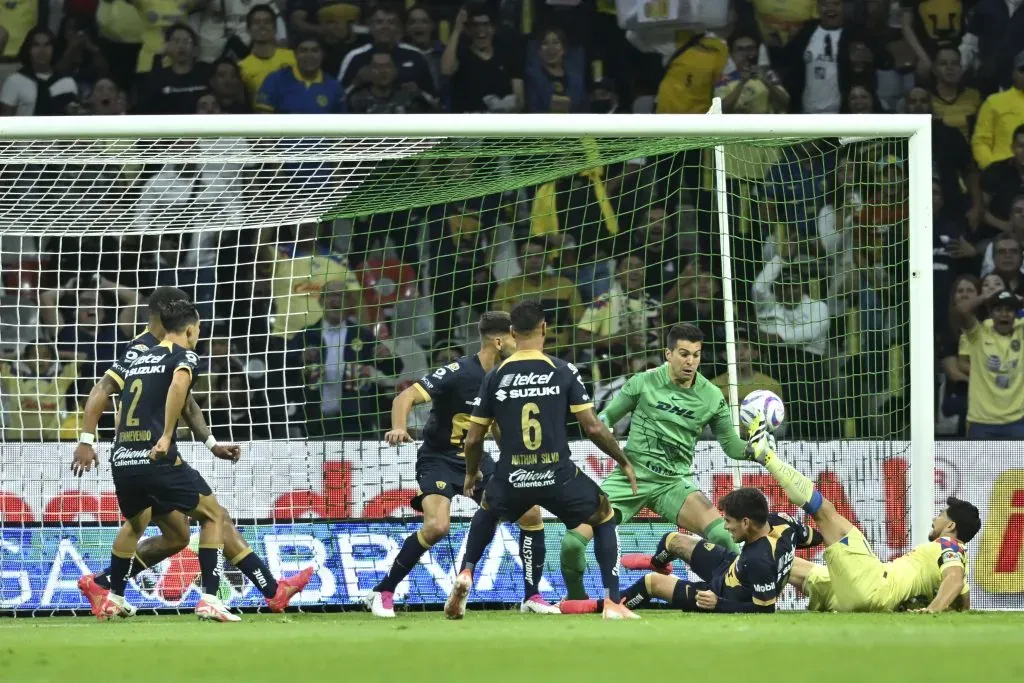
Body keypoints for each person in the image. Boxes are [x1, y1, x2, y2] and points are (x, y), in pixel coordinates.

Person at [73, 288, 312, 617]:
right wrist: (88, 438)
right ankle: (263, 590)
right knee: (212, 515)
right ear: (177, 318)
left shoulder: (152, 353)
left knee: (177, 535)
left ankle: (106, 586)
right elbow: (106, 391)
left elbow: (184, 402)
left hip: (129, 455)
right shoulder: (143, 348)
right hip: (151, 452)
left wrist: (210, 443)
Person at [445, 301, 641, 620]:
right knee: (603, 514)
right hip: (557, 474)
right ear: (545, 329)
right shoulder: (561, 370)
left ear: (512, 332)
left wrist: (471, 474)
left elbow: (474, 438)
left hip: (512, 476)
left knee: (487, 511)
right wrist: (622, 459)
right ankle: (612, 602)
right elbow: (592, 426)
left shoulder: (495, 376)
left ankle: (466, 572)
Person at [364, 312, 555, 618]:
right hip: (438, 459)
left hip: (477, 459)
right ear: (498, 341)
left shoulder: (507, 377)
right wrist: (399, 427)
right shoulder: (458, 372)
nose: (519, 345)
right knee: (438, 526)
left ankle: (532, 596)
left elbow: (493, 425)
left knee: (530, 512)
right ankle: (383, 591)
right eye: (513, 339)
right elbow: (405, 396)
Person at [558, 323, 752, 601]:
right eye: (684, 354)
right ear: (668, 354)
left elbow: (732, 446)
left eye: (696, 355)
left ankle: (739, 597)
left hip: (672, 483)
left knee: (724, 536)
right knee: (572, 543)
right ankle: (576, 599)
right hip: (630, 479)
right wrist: (618, 455)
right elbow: (604, 422)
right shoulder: (642, 382)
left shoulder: (711, 396)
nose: (690, 361)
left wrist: (756, 450)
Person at [88, 299, 235, 620]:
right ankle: (211, 598)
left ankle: (113, 596)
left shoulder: (137, 358)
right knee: (212, 516)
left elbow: (116, 399)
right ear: (191, 329)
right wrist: (167, 435)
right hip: (157, 456)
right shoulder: (184, 356)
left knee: (135, 523)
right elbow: (180, 387)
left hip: (123, 456)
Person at [746, 413, 981, 612]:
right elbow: (963, 599)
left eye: (941, 514)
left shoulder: (950, 547)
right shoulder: (956, 558)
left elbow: (954, 579)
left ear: (951, 526)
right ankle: (732, 588)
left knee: (825, 511)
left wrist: (932, 610)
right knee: (788, 563)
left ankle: (767, 457)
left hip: (876, 584)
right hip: (861, 598)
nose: (934, 518)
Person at [560, 487, 820, 614]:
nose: (725, 527)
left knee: (651, 583)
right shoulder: (782, 523)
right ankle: (658, 561)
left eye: (728, 521)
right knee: (673, 540)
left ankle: (599, 605)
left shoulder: (760, 561)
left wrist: (718, 604)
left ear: (745, 523)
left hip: (719, 593)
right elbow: (812, 537)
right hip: (729, 565)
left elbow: (764, 610)